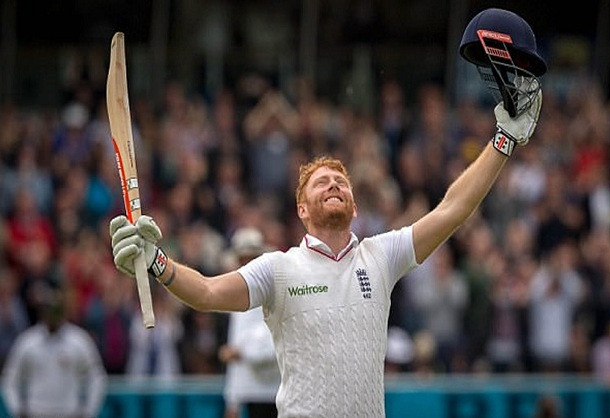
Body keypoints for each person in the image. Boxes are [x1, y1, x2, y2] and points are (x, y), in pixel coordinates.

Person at [109, 13, 543, 414]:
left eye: (341, 182)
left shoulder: (381, 256)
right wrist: (156, 260)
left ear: (354, 206)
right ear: (302, 210)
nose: (334, 184)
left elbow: (453, 209)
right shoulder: (277, 270)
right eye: (321, 182)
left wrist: (503, 140)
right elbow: (204, 292)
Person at [1, 286, 107, 418]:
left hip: (69, 413)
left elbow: (97, 377)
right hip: (36, 412)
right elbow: (10, 378)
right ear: (42, 312)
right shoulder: (28, 342)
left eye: (56, 310)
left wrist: (89, 411)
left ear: (63, 312)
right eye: (48, 310)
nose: (52, 315)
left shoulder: (79, 341)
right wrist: (17, 409)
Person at [219, 227, 280, 418]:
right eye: (242, 260)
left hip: (275, 393)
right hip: (253, 395)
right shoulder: (237, 299)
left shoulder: (275, 294)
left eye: (251, 259)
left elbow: (279, 344)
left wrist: (242, 352)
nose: (246, 265)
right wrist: (232, 400)